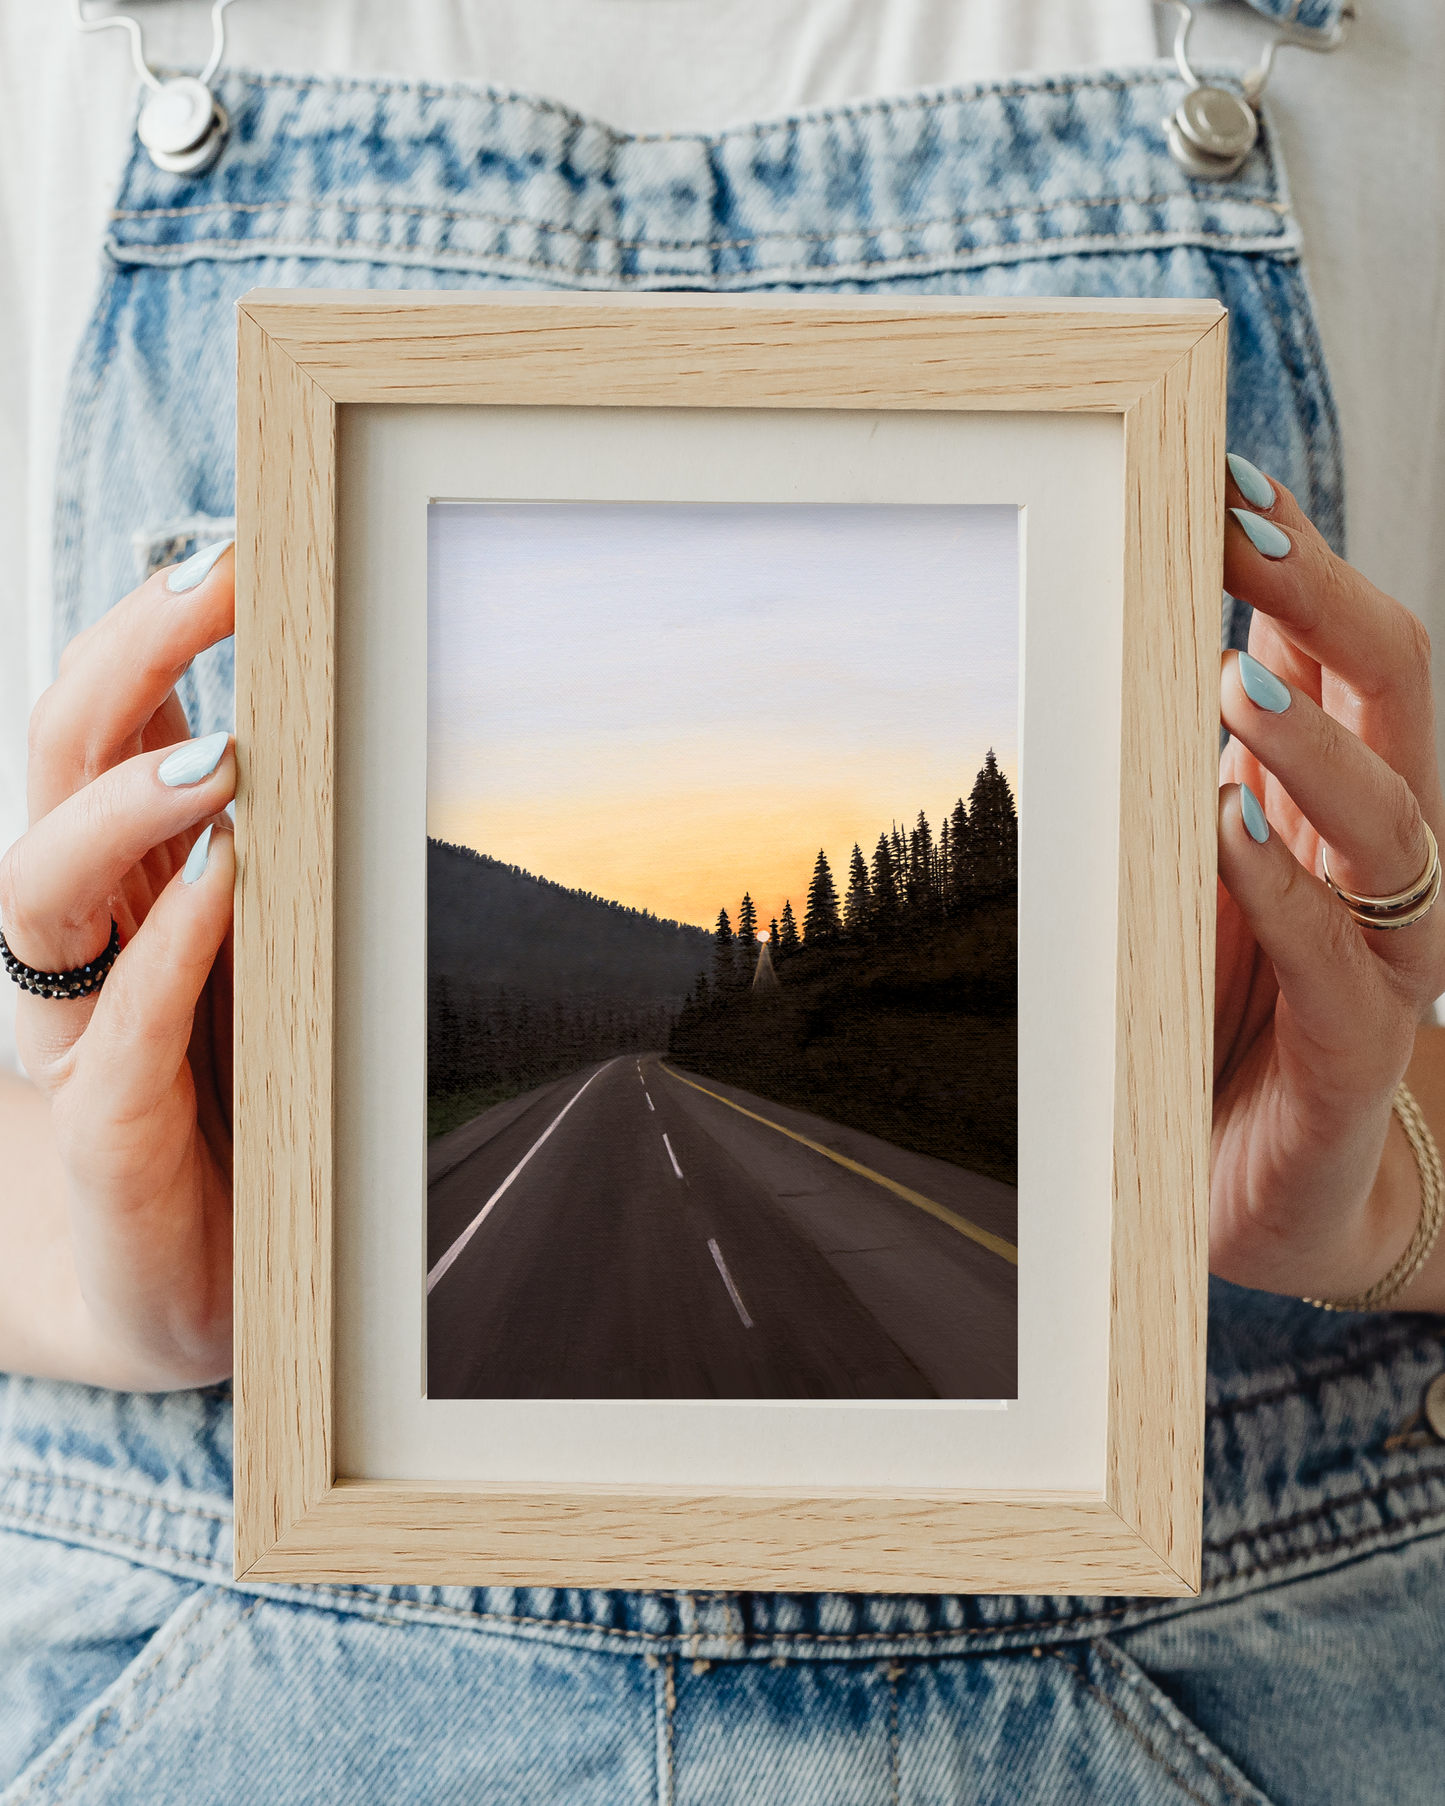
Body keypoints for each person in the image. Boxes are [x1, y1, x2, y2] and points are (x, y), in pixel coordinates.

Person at [1, 1, 1444, 1800]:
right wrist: (99, 1251)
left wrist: (1386, 1188)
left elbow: (1391, 1105)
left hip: (1219, 1650)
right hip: (228, 1651)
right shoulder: (75, 42)